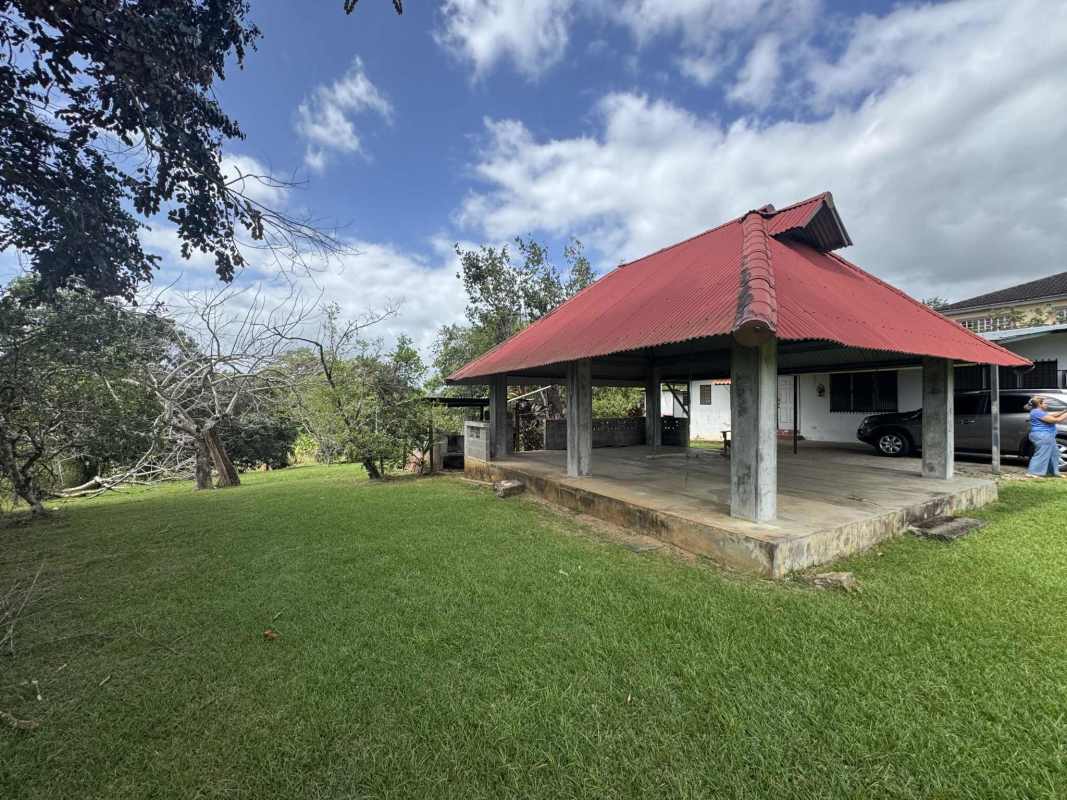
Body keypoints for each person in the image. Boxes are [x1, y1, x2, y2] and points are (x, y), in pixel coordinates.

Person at [1026, 395, 1067, 478]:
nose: (1047, 404)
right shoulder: (1037, 412)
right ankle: (1033, 473)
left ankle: (1052, 472)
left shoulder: (1040, 411)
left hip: (1048, 435)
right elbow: (1055, 420)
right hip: (1042, 435)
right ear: (1039, 404)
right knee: (1042, 454)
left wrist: (1064, 411)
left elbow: (1054, 415)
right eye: (1045, 403)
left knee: (1054, 453)